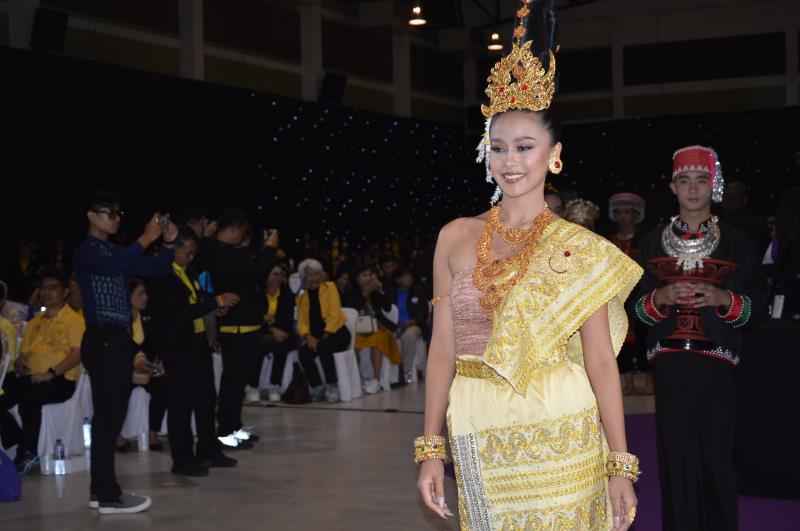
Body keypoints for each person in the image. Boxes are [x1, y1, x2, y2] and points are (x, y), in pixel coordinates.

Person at [416, 3, 642, 529]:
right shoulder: (454, 236)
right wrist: (430, 448)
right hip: (476, 418)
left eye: (524, 147)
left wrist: (619, 464)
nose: (510, 162)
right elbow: (443, 347)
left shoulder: (578, 248)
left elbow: (599, 361)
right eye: (497, 148)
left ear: (553, 153)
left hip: (561, 424)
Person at [634, 145, 768, 530]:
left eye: (702, 180)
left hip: (719, 364)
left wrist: (724, 298)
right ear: (672, 186)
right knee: (676, 460)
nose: (693, 189)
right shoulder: (651, 242)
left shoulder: (737, 242)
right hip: (671, 363)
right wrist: (661, 296)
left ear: (714, 185)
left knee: (716, 459)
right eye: (684, 180)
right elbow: (634, 309)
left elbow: (758, 303)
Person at [72, 190, 177, 514]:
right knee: (108, 418)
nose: (116, 218)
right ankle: (108, 494)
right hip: (103, 338)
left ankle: (99, 491)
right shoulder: (86, 251)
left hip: (116, 340)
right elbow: (116, 265)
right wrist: (146, 237)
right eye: (110, 213)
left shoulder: (115, 251)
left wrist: (168, 244)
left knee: (110, 417)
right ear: (91, 216)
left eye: (119, 213)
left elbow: (158, 269)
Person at [148, 226, 240, 473]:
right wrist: (215, 302)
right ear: (173, 249)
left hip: (197, 340)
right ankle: (182, 458)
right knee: (181, 404)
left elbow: (197, 302)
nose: (191, 258)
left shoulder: (188, 270)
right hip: (177, 345)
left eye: (193, 254)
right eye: (187, 253)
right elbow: (178, 313)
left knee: (206, 398)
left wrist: (213, 307)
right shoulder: (162, 274)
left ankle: (208, 449)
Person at [204, 208, 277, 448]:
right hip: (236, 327)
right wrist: (270, 249)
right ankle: (226, 432)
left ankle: (234, 427)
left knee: (238, 382)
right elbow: (257, 272)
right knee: (233, 382)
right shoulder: (221, 253)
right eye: (243, 232)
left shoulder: (229, 252)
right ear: (234, 230)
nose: (244, 237)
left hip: (245, 325)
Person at [0, 268, 83, 475]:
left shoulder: (74, 320)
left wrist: (51, 373)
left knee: (29, 399)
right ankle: (18, 438)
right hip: (31, 376)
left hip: (60, 380)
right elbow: (23, 354)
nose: (46, 292)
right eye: (43, 288)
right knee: (2, 393)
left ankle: (29, 451)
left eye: (52, 288)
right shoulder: (35, 322)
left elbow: (78, 355)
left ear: (65, 291)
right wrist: (21, 363)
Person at [607, 193, 653, 395]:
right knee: (618, 338)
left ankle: (647, 379)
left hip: (640, 295)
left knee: (643, 337)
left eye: (628, 212)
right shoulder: (609, 241)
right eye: (619, 212)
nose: (623, 216)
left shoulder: (645, 241)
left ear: (636, 215)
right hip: (617, 297)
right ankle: (625, 381)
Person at [295, 259, 350, 403]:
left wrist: (322, 337)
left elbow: (334, 315)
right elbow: (301, 322)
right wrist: (308, 336)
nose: (313, 278)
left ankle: (332, 386)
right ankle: (317, 386)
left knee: (324, 345)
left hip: (337, 332)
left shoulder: (330, 287)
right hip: (315, 337)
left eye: (316, 274)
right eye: (309, 275)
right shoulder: (301, 297)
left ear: (321, 274)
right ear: (304, 277)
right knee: (304, 353)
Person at [346, 264, 400, 394]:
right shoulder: (351, 291)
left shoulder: (375, 292)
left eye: (370, 275)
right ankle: (357, 379)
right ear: (357, 279)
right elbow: (353, 309)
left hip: (377, 329)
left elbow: (388, 308)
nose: (368, 278)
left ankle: (376, 380)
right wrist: (365, 293)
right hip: (357, 330)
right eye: (364, 275)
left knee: (378, 339)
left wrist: (380, 291)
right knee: (353, 344)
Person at [251, 263, 296, 403]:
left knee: (282, 344)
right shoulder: (257, 292)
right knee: (260, 343)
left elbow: (287, 319)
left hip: (283, 331)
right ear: (267, 275)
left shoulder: (287, 294)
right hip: (260, 331)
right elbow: (254, 317)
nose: (278, 278)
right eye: (275, 274)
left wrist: (273, 323)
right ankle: (252, 385)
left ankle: (275, 385)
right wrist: (271, 328)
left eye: (281, 275)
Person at [385, 265, 429, 384]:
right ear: (397, 280)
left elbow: (423, 313)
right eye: (404, 276)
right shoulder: (391, 294)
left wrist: (410, 323)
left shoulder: (418, 291)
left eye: (409, 275)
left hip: (414, 325)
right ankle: (390, 375)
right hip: (396, 326)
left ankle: (406, 371)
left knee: (408, 334)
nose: (409, 278)